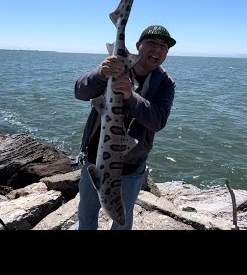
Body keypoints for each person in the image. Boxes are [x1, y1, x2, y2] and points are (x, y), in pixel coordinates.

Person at [74, 25, 176, 230]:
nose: (157, 49)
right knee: (86, 214)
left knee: (122, 219)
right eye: (151, 43)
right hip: (94, 158)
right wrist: (101, 74)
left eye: (163, 46)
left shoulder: (165, 83)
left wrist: (130, 96)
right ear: (138, 46)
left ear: (167, 52)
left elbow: (158, 121)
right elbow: (80, 92)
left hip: (131, 166)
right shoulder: (115, 67)